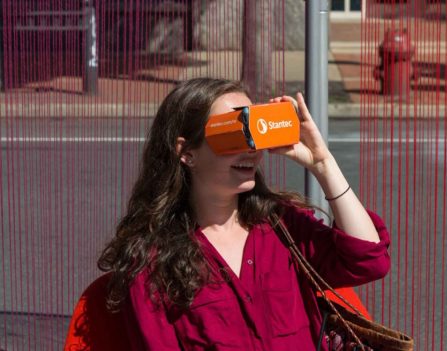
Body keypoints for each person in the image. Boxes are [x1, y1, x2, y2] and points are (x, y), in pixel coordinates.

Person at [97, 78, 391, 350]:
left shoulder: (281, 227)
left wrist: (323, 165)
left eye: (255, 130)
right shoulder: (152, 261)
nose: (251, 149)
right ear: (186, 152)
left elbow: (369, 259)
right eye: (236, 133)